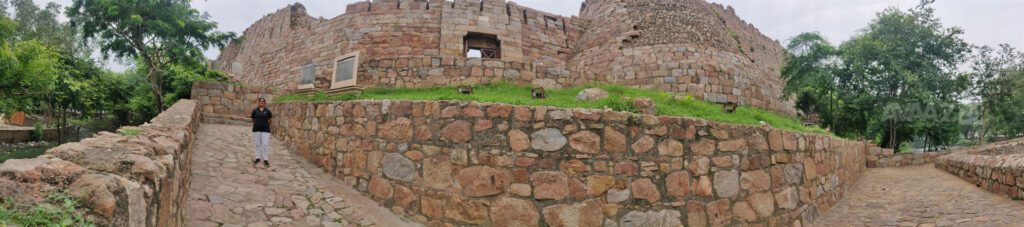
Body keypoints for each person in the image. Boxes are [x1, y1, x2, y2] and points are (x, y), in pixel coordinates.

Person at [251, 97, 272, 168]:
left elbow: (270, 120)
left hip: (265, 130)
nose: (261, 102)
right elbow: (253, 119)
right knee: (257, 144)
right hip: (256, 130)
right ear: (259, 102)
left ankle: (265, 159)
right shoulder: (255, 110)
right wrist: (257, 123)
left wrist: (264, 124)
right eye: (260, 101)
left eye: (263, 102)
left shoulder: (268, 111)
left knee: (265, 144)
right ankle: (257, 158)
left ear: (264, 103)